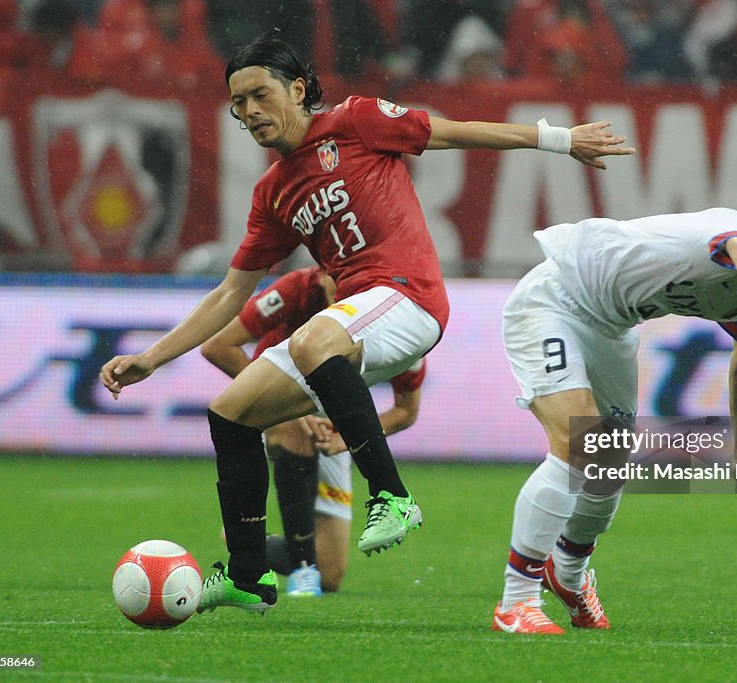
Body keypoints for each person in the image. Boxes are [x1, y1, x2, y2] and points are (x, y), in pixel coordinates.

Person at [98, 30, 633, 614]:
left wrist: (558, 140)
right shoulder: (273, 192)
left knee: (313, 336)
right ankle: (249, 574)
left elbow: (452, 133)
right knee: (230, 414)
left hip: (409, 297)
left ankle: (393, 496)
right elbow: (231, 293)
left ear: (298, 89)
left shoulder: (354, 122)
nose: (249, 112)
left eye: (259, 94)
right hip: (356, 322)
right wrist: (152, 357)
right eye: (239, 104)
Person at [492, 207, 737, 634]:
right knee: (579, 444)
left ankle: (568, 575)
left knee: (607, 465)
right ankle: (516, 602)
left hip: (612, 328)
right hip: (556, 300)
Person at [200, 266, 426, 597]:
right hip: (280, 401)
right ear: (323, 276)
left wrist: (346, 437)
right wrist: (282, 409)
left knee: (331, 576)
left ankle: (254, 543)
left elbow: (406, 410)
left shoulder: (389, 317)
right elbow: (219, 346)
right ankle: (300, 570)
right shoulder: (297, 289)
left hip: (338, 419)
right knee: (292, 431)